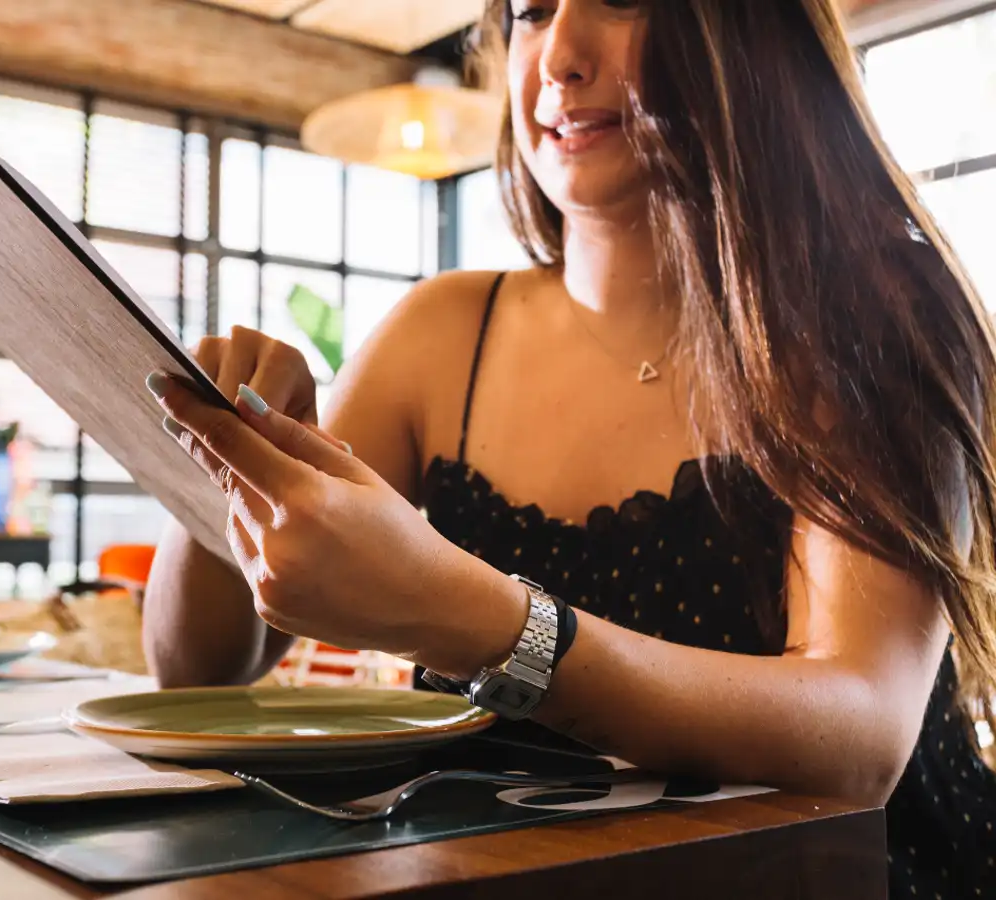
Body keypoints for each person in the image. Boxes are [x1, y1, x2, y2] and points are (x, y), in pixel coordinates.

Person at [142, 1, 996, 896]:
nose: (559, 57)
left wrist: (476, 620)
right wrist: (233, 449)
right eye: (530, 11)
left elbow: (862, 743)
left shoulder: (874, 312)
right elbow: (198, 667)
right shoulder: (438, 337)